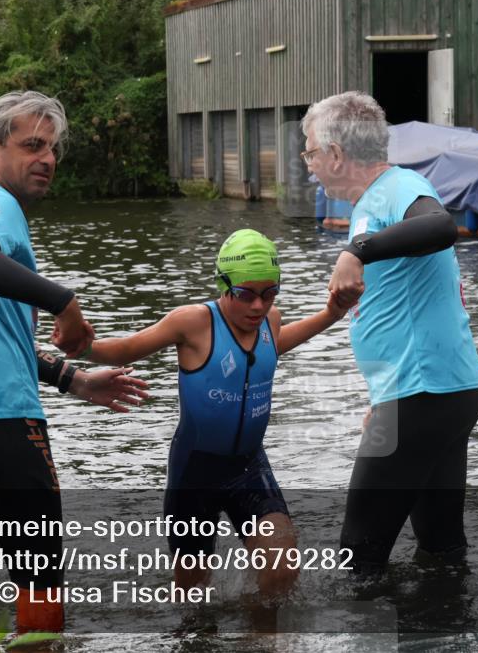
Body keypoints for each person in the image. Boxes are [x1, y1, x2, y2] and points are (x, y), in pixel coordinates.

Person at [0, 91, 148, 634]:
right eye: (32, 145)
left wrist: (73, 378)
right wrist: (64, 301)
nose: (47, 158)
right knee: (40, 578)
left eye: (53, 148)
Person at [84, 229, 350, 596]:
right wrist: (80, 345)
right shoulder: (193, 322)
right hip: (195, 473)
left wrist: (330, 315)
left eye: (269, 293)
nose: (258, 306)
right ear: (222, 284)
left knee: (282, 569)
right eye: (245, 294)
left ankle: (260, 642)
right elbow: (126, 349)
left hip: (248, 466)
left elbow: (277, 344)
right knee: (192, 597)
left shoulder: (269, 321)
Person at [302, 91, 478, 574]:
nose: (309, 166)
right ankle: (449, 631)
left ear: (337, 155)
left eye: (310, 152)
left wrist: (355, 251)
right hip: (440, 392)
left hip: (422, 397)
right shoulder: (377, 200)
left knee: (357, 558)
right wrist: (383, 397)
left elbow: (439, 227)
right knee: (440, 547)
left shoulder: (398, 187)